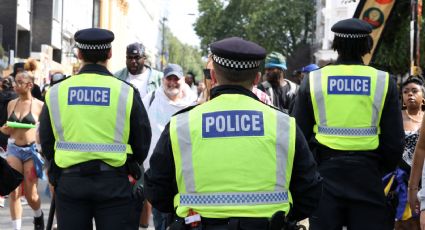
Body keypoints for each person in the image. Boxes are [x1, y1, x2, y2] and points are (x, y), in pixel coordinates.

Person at [144, 37, 323, 230]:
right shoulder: (284, 124)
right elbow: (310, 191)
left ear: (213, 76)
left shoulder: (182, 124)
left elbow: (156, 189)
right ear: (256, 79)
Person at [292, 18, 404, 229]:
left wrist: (311, 173)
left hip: (324, 175)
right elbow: (394, 140)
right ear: (366, 45)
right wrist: (376, 171)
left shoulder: (314, 80)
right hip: (368, 174)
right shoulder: (383, 80)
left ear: (336, 44)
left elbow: (298, 136)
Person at [39, 28, 152, 229]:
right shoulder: (125, 92)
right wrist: (132, 165)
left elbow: (46, 139)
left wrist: (55, 171)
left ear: (79, 54)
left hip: (70, 182)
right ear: (109, 54)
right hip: (114, 184)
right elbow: (142, 140)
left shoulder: (57, 92)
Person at [142, 63, 197, 230]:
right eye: (169, 78)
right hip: (159, 174)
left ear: (182, 80)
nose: (172, 82)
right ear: (163, 80)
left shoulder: (194, 102)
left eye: (176, 78)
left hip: (185, 176)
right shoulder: (150, 99)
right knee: (160, 220)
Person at [0, 71, 45, 230]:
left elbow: (45, 131)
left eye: (19, 82)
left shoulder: (40, 106)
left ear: (29, 85)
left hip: (31, 151)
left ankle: (38, 214)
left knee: (31, 195)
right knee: (14, 191)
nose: (15, 85)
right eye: (15, 82)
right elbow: (6, 130)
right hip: (14, 149)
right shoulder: (11, 104)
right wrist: (5, 129)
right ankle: (16, 228)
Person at [384, 76, 424, 230]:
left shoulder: (424, 120)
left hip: (423, 178)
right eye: (406, 92)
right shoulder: (395, 118)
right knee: (400, 222)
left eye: (415, 91)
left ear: (423, 96)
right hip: (398, 180)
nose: (410, 94)